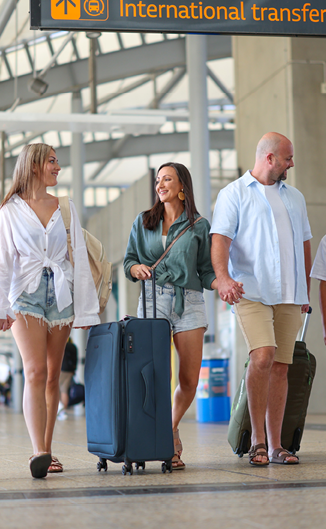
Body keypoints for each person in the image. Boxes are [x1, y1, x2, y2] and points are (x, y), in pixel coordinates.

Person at [0, 143, 100, 479]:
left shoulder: (64, 207)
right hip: (26, 294)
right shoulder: (10, 211)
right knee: (34, 371)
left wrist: (85, 310)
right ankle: (38, 450)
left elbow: (77, 255)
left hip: (61, 295)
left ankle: (48, 450)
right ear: (34, 165)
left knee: (53, 375)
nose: (58, 167)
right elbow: (0, 260)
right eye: (52, 161)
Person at [211, 132, 311, 467]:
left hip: (289, 293)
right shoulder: (234, 194)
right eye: (288, 158)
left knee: (281, 366)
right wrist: (223, 278)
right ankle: (256, 440)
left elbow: (305, 244)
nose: (291, 164)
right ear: (269, 158)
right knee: (263, 356)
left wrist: (305, 290)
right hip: (251, 290)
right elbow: (220, 240)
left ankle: (277, 444)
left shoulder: (294, 197)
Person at [124, 162, 217, 470]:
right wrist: (135, 269)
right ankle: (169, 442)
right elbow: (129, 260)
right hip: (153, 300)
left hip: (189, 301)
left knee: (189, 379)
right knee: (157, 376)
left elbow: (205, 271)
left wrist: (224, 284)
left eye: (167, 179)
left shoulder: (199, 226)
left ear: (182, 187)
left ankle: (168, 428)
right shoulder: (144, 221)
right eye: (158, 180)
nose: (160, 184)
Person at [58, 337, 78, 418]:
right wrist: (73, 370)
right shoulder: (73, 346)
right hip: (70, 371)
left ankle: (59, 408)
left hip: (61, 369)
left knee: (56, 389)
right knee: (64, 391)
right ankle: (63, 410)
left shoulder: (62, 344)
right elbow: (75, 359)